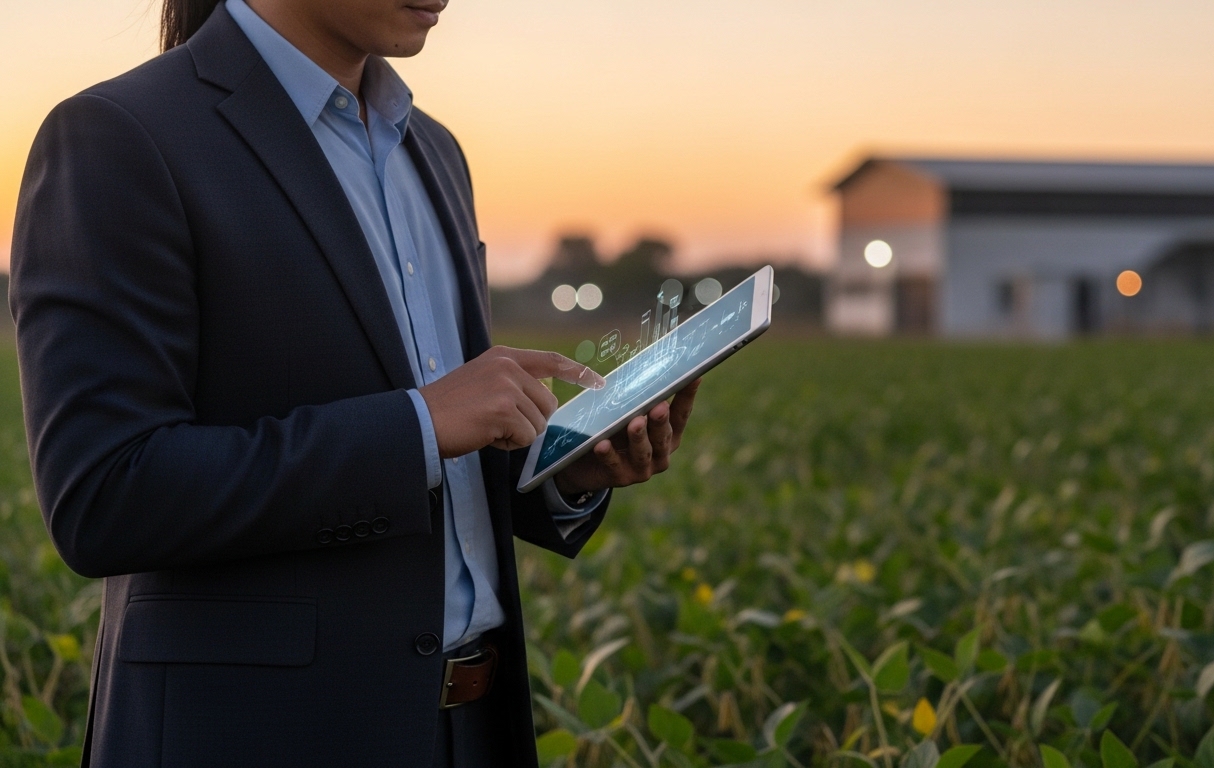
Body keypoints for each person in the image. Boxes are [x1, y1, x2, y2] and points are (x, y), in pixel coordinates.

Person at [8, 0, 700, 764]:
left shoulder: (433, 150)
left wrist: (570, 468)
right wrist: (418, 425)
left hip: (470, 732)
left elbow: (446, 457)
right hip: (255, 737)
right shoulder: (120, 136)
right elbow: (105, 495)